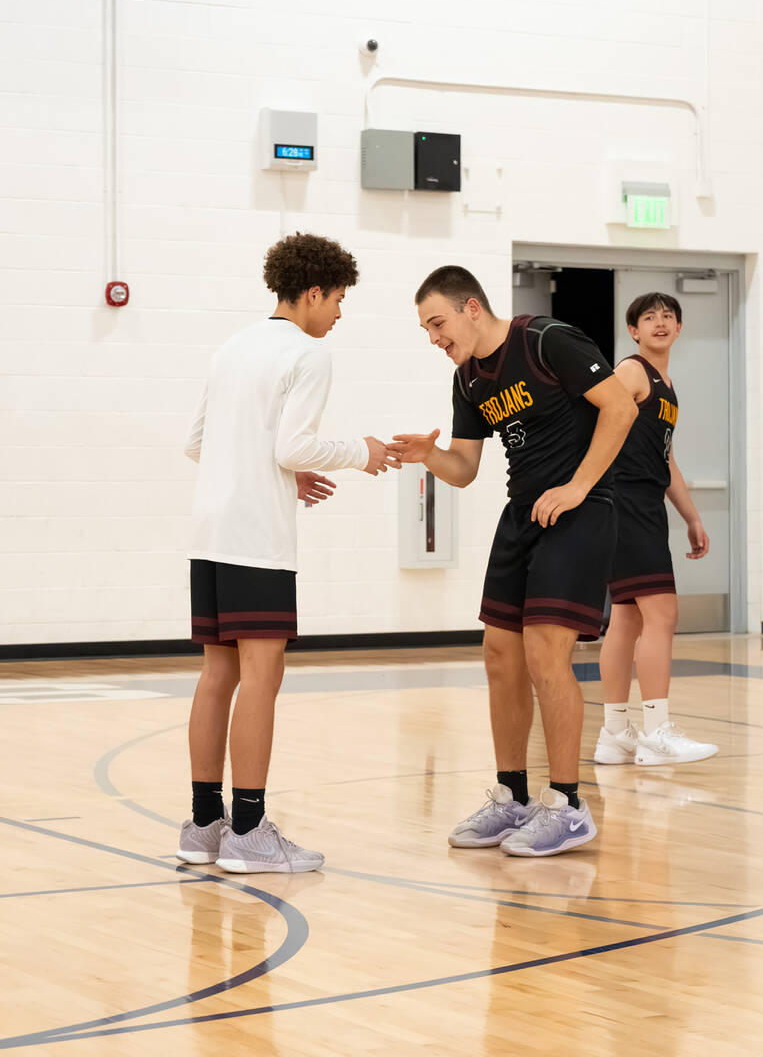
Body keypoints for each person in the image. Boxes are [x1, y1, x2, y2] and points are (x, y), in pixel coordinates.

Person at [389, 266, 637, 857]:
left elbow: (621, 408)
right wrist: (431, 455)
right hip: (522, 513)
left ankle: (568, 806)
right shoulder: (467, 378)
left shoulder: (547, 340)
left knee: (545, 652)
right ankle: (512, 797)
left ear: (471, 307)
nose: (434, 338)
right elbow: (465, 469)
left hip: (580, 509)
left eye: (438, 323)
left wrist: (577, 486)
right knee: (500, 654)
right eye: (426, 330)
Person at [176, 233, 396, 874]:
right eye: (339, 300)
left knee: (217, 676)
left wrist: (282, 473)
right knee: (261, 679)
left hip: (210, 533)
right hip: (256, 540)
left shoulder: (232, 347)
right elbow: (293, 446)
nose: (339, 314)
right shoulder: (307, 353)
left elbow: (197, 442)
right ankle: (249, 831)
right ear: (313, 292)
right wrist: (361, 452)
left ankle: (203, 827)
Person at [594, 292, 717, 766]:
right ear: (634, 331)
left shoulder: (667, 386)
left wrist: (691, 517)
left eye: (669, 316)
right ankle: (656, 732)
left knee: (627, 618)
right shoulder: (631, 371)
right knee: (662, 614)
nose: (660, 322)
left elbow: (666, 460)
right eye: (650, 317)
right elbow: (594, 421)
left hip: (643, 502)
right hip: (625, 502)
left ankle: (614, 734)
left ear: (679, 328)